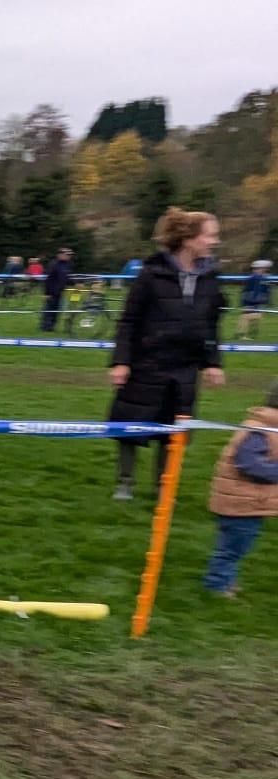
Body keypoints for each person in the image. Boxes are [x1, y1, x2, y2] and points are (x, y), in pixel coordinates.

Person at [108, 209, 229, 500]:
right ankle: (126, 482)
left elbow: (211, 325)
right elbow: (129, 321)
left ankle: (163, 485)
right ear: (189, 238)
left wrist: (212, 363)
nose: (215, 241)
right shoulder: (151, 274)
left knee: (173, 430)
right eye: (210, 235)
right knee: (130, 424)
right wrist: (121, 361)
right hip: (146, 364)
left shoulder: (210, 278)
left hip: (184, 370)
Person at [203, 378, 278, 596]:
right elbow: (249, 464)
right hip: (240, 503)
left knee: (237, 546)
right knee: (232, 548)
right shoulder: (261, 430)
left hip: (249, 501)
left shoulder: (269, 427)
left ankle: (226, 580)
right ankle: (217, 585)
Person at [39, 247, 73, 331]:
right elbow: (48, 279)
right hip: (52, 292)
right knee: (49, 309)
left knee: (57, 310)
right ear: (60, 255)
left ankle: (51, 326)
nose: (69, 256)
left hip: (60, 291)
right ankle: (45, 327)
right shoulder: (53, 264)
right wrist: (46, 293)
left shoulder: (67, 265)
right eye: (67, 255)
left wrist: (75, 283)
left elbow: (66, 278)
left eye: (70, 255)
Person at [236, 259, 271, 340]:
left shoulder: (261, 278)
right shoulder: (254, 278)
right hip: (250, 301)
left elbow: (263, 290)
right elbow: (249, 290)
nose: (264, 270)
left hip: (254, 301)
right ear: (257, 269)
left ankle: (242, 334)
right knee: (249, 317)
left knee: (249, 317)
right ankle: (242, 335)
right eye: (262, 268)